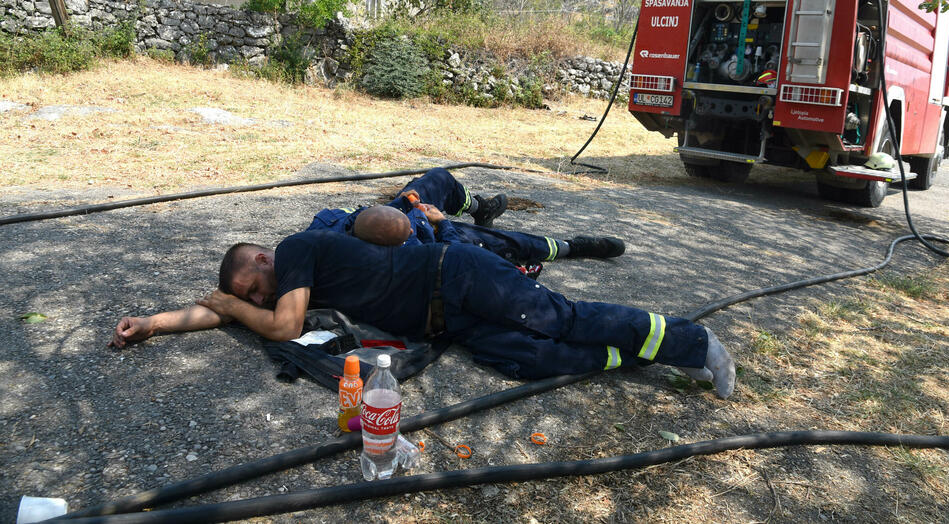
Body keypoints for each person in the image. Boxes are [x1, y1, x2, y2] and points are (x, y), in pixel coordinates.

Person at [111, 231, 736, 398]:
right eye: (249, 297)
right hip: (447, 320)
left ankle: (691, 341)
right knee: (522, 358)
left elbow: (281, 328)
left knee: (559, 320)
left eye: (251, 286)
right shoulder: (277, 287)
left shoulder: (297, 250)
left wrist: (232, 306)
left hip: (457, 273)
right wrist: (155, 323)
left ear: (264, 259)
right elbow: (228, 315)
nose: (255, 300)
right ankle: (629, 356)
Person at [311, 167, 625, 264]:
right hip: (432, 235)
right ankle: (575, 247)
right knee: (506, 244)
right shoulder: (401, 256)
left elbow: (353, 216)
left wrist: (410, 207)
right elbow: (450, 254)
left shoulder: (328, 228)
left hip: (395, 216)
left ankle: (480, 208)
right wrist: (442, 222)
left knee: (436, 179)